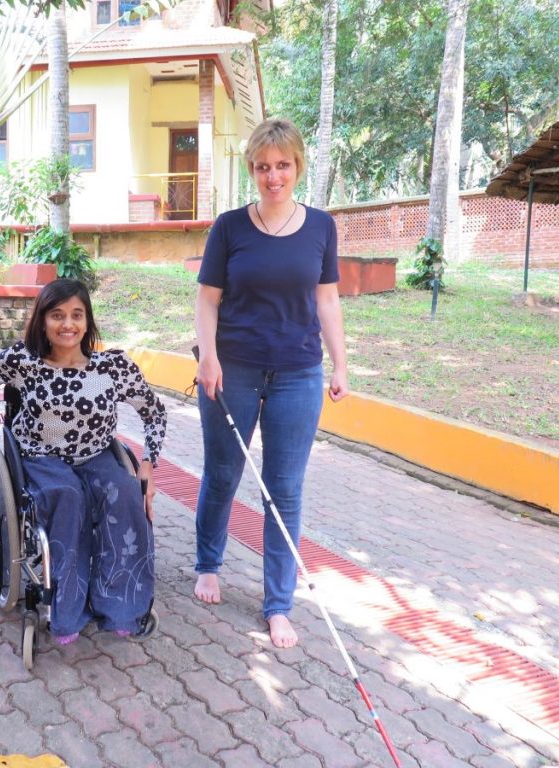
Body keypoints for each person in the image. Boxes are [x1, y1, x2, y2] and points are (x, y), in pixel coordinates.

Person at [192, 117, 349, 649]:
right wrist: (208, 359)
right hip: (231, 368)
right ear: (252, 170)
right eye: (263, 167)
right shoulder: (230, 227)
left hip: (298, 374)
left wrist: (340, 365)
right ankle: (208, 563)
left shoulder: (321, 227)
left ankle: (278, 603)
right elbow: (207, 299)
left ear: (297, 166)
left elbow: (327, 299)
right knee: (222, 474)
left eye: (282, 165)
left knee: (284, 491)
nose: (273, 176)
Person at [0, 278, 167, 644]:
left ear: (88, 321)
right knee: (67, 497)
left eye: (77, 315)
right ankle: (67, 610)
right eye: (57, 315)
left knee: (124, 493)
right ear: (42, 321)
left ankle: (120, 605)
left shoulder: (113, 367)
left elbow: (154, 413)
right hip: (40, 457)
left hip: (97, 454)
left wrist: (148, 464)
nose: (67, 324)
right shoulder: (22, 361)